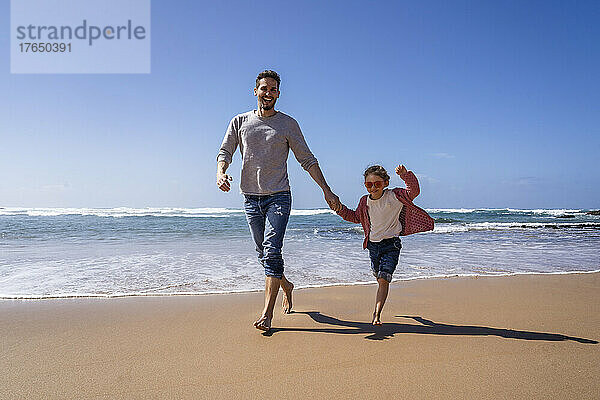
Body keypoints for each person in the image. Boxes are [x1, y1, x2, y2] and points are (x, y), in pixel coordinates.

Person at [216, 70, 342, 332]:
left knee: (272, 251)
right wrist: (220, 172)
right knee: (263, 254)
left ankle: (266, 314)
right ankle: (286, 285)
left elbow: (307, 159)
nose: (268, 93)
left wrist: (326, 191)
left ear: (278, 93)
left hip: (279, 197)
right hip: (250, 197)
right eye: (264, 88)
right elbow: (225, 151)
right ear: (255, 91)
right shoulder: (239, 121)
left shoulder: (288, 124)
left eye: (273, 89)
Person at [336, 164, 434, 325]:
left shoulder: (395, 196)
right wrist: (339, 209)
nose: (373, 187)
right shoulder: (364, 201)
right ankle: (380, 304)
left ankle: (376, 314)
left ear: (386, 183)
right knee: (378, 275)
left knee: (383, 279)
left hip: (391, 245)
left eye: (377, 184)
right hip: (373, 247)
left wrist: (405, 175)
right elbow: (355, 217)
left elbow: (413, 191)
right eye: (369, 184)